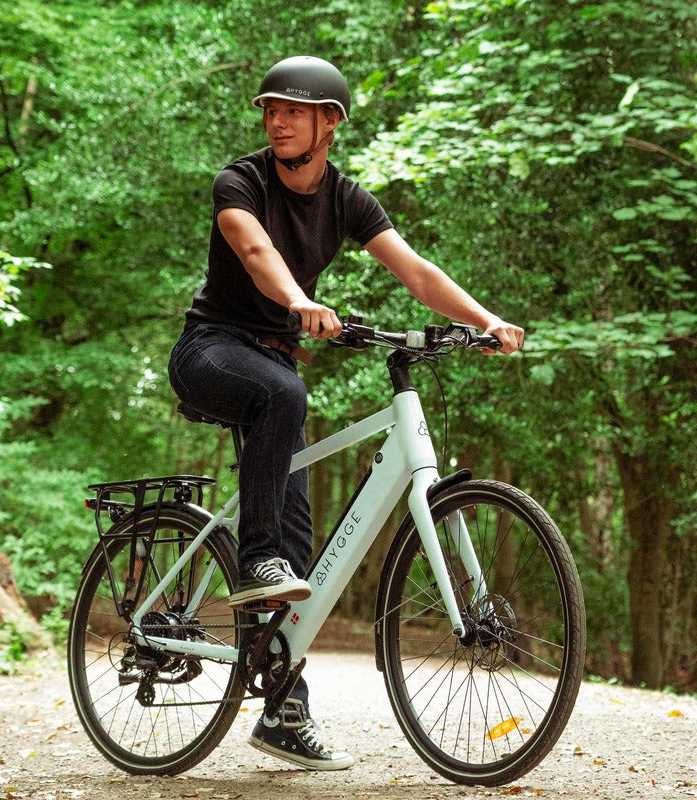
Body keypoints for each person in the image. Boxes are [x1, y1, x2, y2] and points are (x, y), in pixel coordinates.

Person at [168, 55, 524, 771]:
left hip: (271, 363)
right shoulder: (240, 181)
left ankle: (283, 704)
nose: (276, 121)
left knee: (301, 540)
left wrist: (486, 320)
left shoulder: (348, 200)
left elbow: (416, 271)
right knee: (285, 398)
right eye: (271, 109)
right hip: (211, 350)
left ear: (330, 123)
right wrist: (299, 301)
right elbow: (254, 245)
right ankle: (255, 557)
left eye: (293, 111)